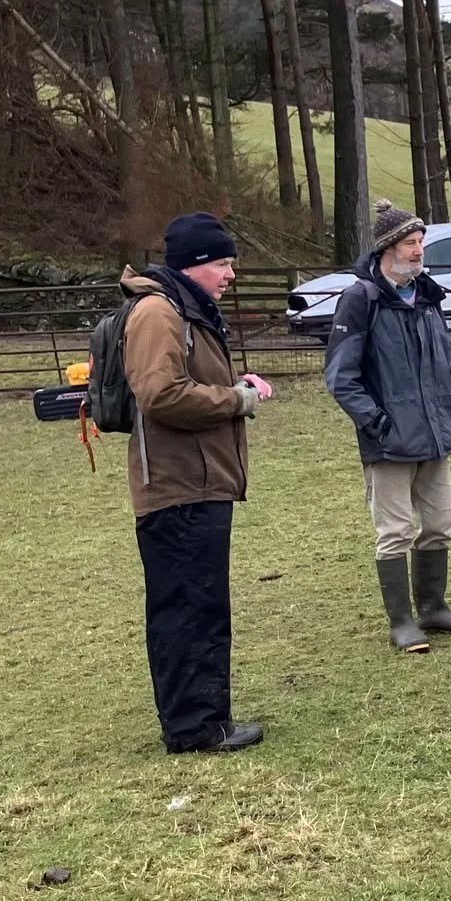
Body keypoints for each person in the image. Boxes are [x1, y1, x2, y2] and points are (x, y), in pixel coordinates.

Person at [121, 211, 274, 753]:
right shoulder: (159, 312)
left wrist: (233, 385)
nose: (230, 274)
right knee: (188, 606)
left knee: (200, 603)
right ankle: (195, 727)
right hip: (179, 486)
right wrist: (237, 400)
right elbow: (160, 395)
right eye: (223, 264)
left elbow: (185, 383)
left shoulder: (184, 310)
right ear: (193, 265)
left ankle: (204, 718)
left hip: (198, 481)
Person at [323, 199, 451, 652]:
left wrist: (449, 408)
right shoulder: (361, 300)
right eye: (411, 244)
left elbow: (446, 365)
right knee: (395, 530)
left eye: (420, 243)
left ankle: (433, 608)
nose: (419, 251)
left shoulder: (428, 298)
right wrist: (375, 421)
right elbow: (340, 376)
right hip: (389, 441)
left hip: (434, 435)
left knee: (440, 523)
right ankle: (401, 622)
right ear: (386, 249)